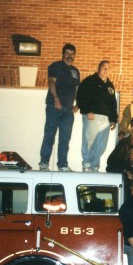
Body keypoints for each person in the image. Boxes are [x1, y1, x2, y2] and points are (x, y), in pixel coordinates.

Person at [39, 43, 81, 171]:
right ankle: (44, 163)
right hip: (54, 107)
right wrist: (56, 98)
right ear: (63, 54)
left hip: (68, 110)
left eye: (72, 54)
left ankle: (62, 164)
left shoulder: (76, 71)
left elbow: (78, 89)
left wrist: (77, 104)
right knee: (49, 135)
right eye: (67, 53)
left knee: (65, 138)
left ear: (74, 55)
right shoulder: (55, 66)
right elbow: (51, 82)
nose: (70, 56)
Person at [76, 60, 118, 172]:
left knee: (101, 145)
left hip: (106, 119)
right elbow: (81, 95)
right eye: (104, 67)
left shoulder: (110, 85)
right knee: (89, 141)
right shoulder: (90, 81)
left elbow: (113, 103)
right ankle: (87, 164)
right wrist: (87, 110)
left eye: (108, 68)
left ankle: (95, 165)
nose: (106, 70)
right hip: (92, 116)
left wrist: (113, 119)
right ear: (98, 68)